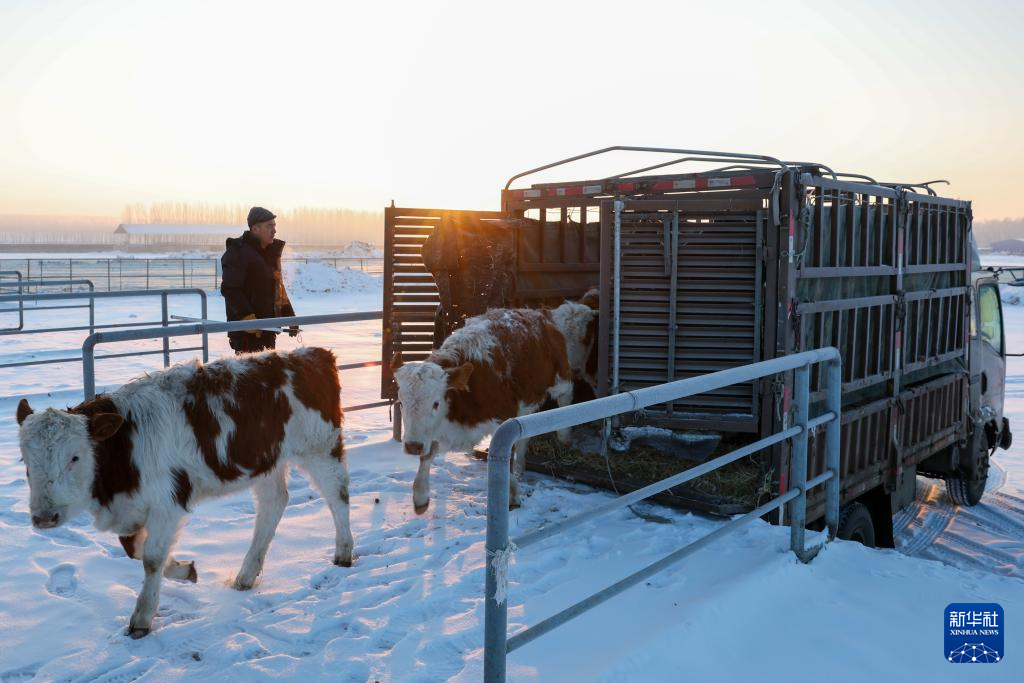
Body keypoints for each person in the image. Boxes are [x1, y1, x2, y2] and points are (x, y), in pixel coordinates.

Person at [220, 206, 298, 354]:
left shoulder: (270, 254)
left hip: (268, 329)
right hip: (247, 334)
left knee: (268, 374)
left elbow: (277, 288)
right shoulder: (238, 252)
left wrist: (290, 317)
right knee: (250, 376)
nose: (274, 230)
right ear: (255, 229)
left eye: (274, 226)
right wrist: (247, 317)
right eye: (269, 226)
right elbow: (230, 289)